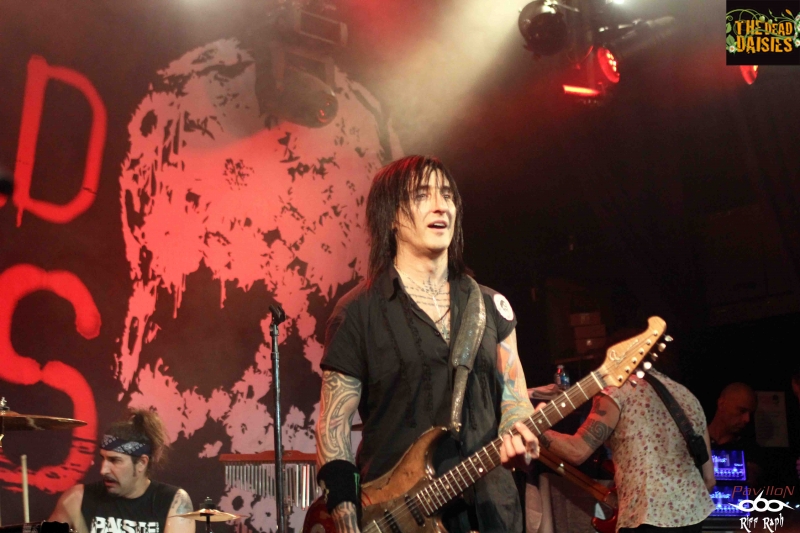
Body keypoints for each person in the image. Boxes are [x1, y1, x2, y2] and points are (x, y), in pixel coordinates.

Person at [315, 155, 539, 533]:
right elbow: (332, 429)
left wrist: (519, 432)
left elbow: (515, 401)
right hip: (397, 518)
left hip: (493, 515)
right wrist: (348, 521)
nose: (441, 206)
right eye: (422, 195)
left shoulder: (490, 306)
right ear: (391, 215)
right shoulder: (357, 312)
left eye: (447, 196)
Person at [538, 369, 716, 532]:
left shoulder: (616, 390)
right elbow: (709, 480)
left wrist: (533, 429)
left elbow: (576, 451)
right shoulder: (688, 397)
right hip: (694, 516)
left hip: (645, 518)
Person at [49, 409, 195, 533]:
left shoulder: (173, 502)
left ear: (141, 463)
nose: (103, 470)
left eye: (114, 460)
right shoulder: (76, 499)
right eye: (103, 458)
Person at [707, 382, 763, 484]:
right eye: (742, 411)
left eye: (750, 414)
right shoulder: (695, 441)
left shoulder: (751, 450)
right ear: (721, 404)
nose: (747, 419)